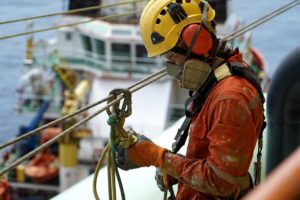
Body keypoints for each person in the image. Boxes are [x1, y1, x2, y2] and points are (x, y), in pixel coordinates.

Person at [115, 0, 265, 199]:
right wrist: (177, 171)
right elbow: (211, 160)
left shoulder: (229, 99)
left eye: (172, 59)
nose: (172, 69)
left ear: (198, 43)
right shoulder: (217, 80)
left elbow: (221, 182)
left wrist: (158, 157)